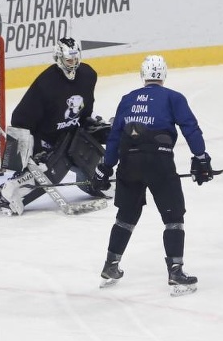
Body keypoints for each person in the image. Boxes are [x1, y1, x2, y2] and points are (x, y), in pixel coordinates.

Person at [91, 55, 213, 294]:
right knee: (173, 216)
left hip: (129, 162)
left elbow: (115, 137)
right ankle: (175, 272)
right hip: (159, 161)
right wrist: (201, 158)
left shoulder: (128, 99)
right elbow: (190, 127)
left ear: (143, 75)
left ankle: (110, 265)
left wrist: (105, 168)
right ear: (163, 75)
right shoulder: (173, 97)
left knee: (126, 214)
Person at [0, 37, 107, 215]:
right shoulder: (46, 83)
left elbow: (86, 107)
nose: (73, 64)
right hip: (48, 141)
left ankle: (102, 182)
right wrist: (31, 152)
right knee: (50, 172)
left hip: (73, 135)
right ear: (58, 58)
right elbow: (20, 119)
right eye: (69, 60)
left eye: (75, 59)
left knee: (107, 136)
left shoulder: (88, 74)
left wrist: (88, 124)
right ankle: (8, 195)